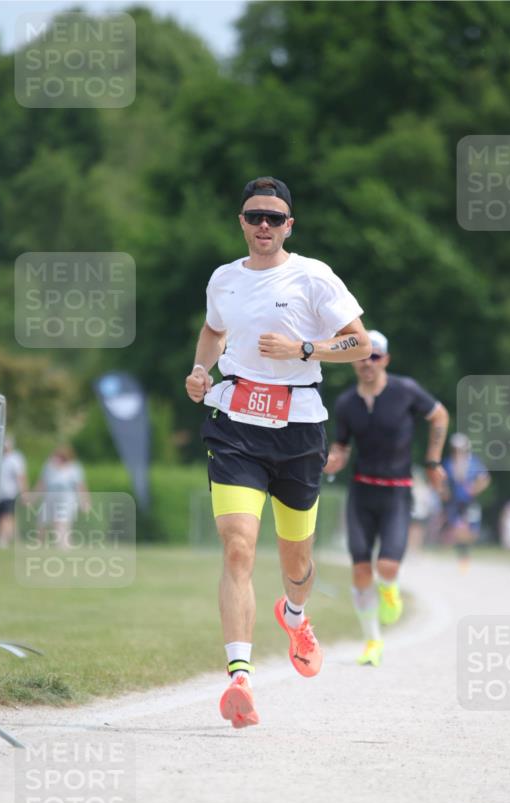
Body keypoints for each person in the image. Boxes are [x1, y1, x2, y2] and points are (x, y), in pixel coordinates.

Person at [185, 176, 370, 728]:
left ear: (289, 225)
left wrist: (304, 348)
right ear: (241, 222)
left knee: (297, 563)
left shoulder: (313, 276)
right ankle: (239, 678)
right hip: (235, 425)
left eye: (273, 217)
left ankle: (294, 615)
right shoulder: (224, 278)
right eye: (253, 216)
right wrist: (200, 370)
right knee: (238, 548)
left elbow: (359, 342)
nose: (263, 225)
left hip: (298, 429)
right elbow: (213, 332)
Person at [324, 331, 449, 666]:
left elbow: (439, 415)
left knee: (387, 565)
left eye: (375, 357)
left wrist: (433, 461)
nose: (368, 363)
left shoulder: (405, 391)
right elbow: (341, 445)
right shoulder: (346, 403)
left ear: (386, 360)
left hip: (396, 491)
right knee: (360, 570)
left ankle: (390, 588)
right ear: (354, 361)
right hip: (361, 491)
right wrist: (334, 459)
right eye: (362, 356)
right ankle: (372, 642)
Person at [441, 433, 490, 569]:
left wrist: (475, 489)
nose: (458, 451)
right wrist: (444, 492)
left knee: (473, 532)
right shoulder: (448, 462)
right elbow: (442, 481)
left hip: (470, 501)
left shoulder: (473, 462)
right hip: (454, 502)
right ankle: (463, 556)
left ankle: (465, 551)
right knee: (458, 529)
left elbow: (485, 478)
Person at [34, 445, 90, 549]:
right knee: (42, 520)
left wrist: (85, 501)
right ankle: (40, 543)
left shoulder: (74, 467)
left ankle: (63, 544)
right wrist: (33, 496)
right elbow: (42, 483)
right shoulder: (49, 466)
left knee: (61, 520)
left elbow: (80, 486)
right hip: (50, 494)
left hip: (67, 495)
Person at [0, 435, 28, 548]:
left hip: (10, 493)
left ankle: (3, 539)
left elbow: (21, 477)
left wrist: (24, 493)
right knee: (3, 517)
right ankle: (12, 537)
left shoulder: (15, 459)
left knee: (6, 516)